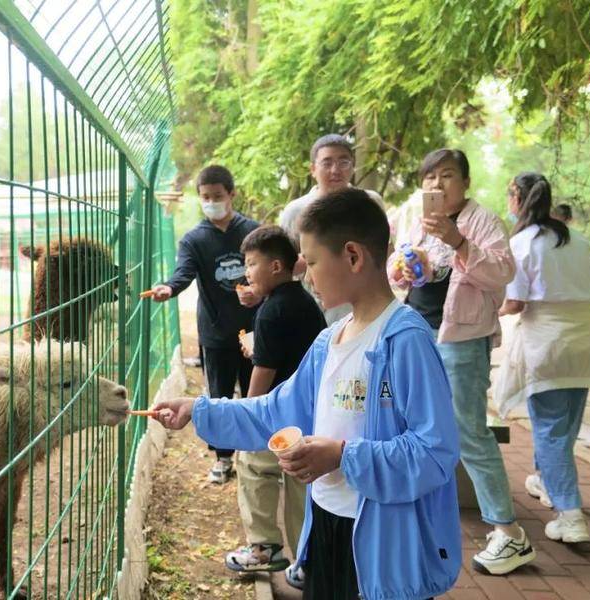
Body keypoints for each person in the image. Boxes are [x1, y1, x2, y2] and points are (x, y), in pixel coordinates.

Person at [154, 189, 462, 600]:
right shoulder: (328, 341)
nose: (306, 272)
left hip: (382, 542)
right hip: (326, 525)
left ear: (352, 256)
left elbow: (435, 452)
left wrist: (341, 455)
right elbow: (275, 412)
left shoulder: (405, 342)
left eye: (312, 261)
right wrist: (198, 409)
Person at [388, 148, 535, 575]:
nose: (436, 186)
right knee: (410, 423)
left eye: (447, 176)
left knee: (469, 432)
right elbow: (397, 269)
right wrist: (401, 270)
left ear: (465, 182)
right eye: (429, 178)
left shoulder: (484, 221)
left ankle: (508, 533)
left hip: (462, 339)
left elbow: (502, 273)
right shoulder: (416, 219)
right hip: (416, 332)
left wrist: (458, 242)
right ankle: (412, 515)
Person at [494, 173, 590, 542]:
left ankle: (570, 515)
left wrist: (490, 311)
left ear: (517, 197)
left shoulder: (523, 242)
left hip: (547, 346)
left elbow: (516, 302)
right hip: (585, 344)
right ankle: (545, 480)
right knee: (563, 428)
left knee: (550, 431)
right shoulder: (576, 239)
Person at [224, 225, 325, 574]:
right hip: (310, 411)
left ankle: (265, 546)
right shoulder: (302, 302)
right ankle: (307, 561)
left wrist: (248, 414)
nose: (246, 272)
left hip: (278, 415)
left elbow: (264, 374)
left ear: (276, 267)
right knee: (301, 484)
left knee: (254, 465)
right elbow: (290, 352)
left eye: (251, 264)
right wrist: (259, 348)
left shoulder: (269, 313)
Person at [151, 165, 259, 484]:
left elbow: (270, 271)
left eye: (218, 196)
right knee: (219, 395)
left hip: (254, 330)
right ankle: (223, 458)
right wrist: (169, 288)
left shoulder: (251, 232)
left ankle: (257, 453)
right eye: (205, 197)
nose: (212, 202)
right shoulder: (194, 240)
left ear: (232, 195)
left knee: (257, 392)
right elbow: (183, 273)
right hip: (216, 332)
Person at [278, 134, 384, 328]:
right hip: (313, 313)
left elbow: (385, 251)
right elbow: (282, 267)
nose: (335, 170)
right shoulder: (295, 211)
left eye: (343, 162)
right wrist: (315, 260)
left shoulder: (370, 202)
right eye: (327, 163)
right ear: (313, 169)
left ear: (353, 166)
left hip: (365, 310)